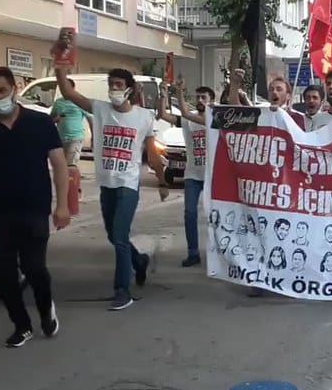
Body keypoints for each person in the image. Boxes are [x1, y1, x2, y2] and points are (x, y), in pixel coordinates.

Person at [0, 66, 70, 347]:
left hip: (34, 208)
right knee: (4, 274)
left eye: (2, 90)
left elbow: (59, 164)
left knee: (35, 268)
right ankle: (21, 325)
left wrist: (62, 205)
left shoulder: (40, 123)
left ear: (14, 88)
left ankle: (46, 309)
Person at [54, 61, 165, 310]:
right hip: (107, 182)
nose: (114, 89)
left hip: (128, 183)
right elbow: (68, 92)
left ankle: (122, 290)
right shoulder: (100, 109)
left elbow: (153, 154)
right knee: (113, 235)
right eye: (111, 85)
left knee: (120, 236)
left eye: (119, 85)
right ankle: (139, 261)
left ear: (129, 89)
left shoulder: (144, 117)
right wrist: (60, 63)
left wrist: (162, 181)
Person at [158, 79, 214, 267]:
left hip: (212, 176)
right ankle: (193, 253)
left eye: (204, 97)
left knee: (215, 216)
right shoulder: (188, 120)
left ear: (211, 101)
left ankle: (217, 252)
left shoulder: (214, 119)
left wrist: (179, 92)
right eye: (197, 97)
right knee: (190, 213)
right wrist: (163, 96)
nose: (200, 100)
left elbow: (184, 113)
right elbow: (163, 115)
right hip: (192, 175)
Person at [50, 78, 88, 166]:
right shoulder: (58, 102)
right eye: (62, 88)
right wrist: (57, 118)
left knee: (70, 165)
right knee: (62, 165)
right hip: (61, 138)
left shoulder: (80, 101)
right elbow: (51, 120)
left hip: (75, 137)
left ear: (73, 88)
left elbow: (90, 118)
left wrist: (94, 136)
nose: (64, 90)